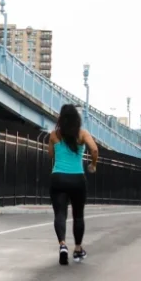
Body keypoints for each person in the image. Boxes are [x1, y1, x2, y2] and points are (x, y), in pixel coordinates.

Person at [49, 104, 99, 265]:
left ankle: (62, 245)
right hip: (77, 179)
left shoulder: (54, 136)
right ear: (77, 119)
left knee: (60, 214)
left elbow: (50, 154)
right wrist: (93, 164)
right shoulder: (82, 134)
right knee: (78, 215)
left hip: (58, 178)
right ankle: (78, 249)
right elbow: (95, 150)